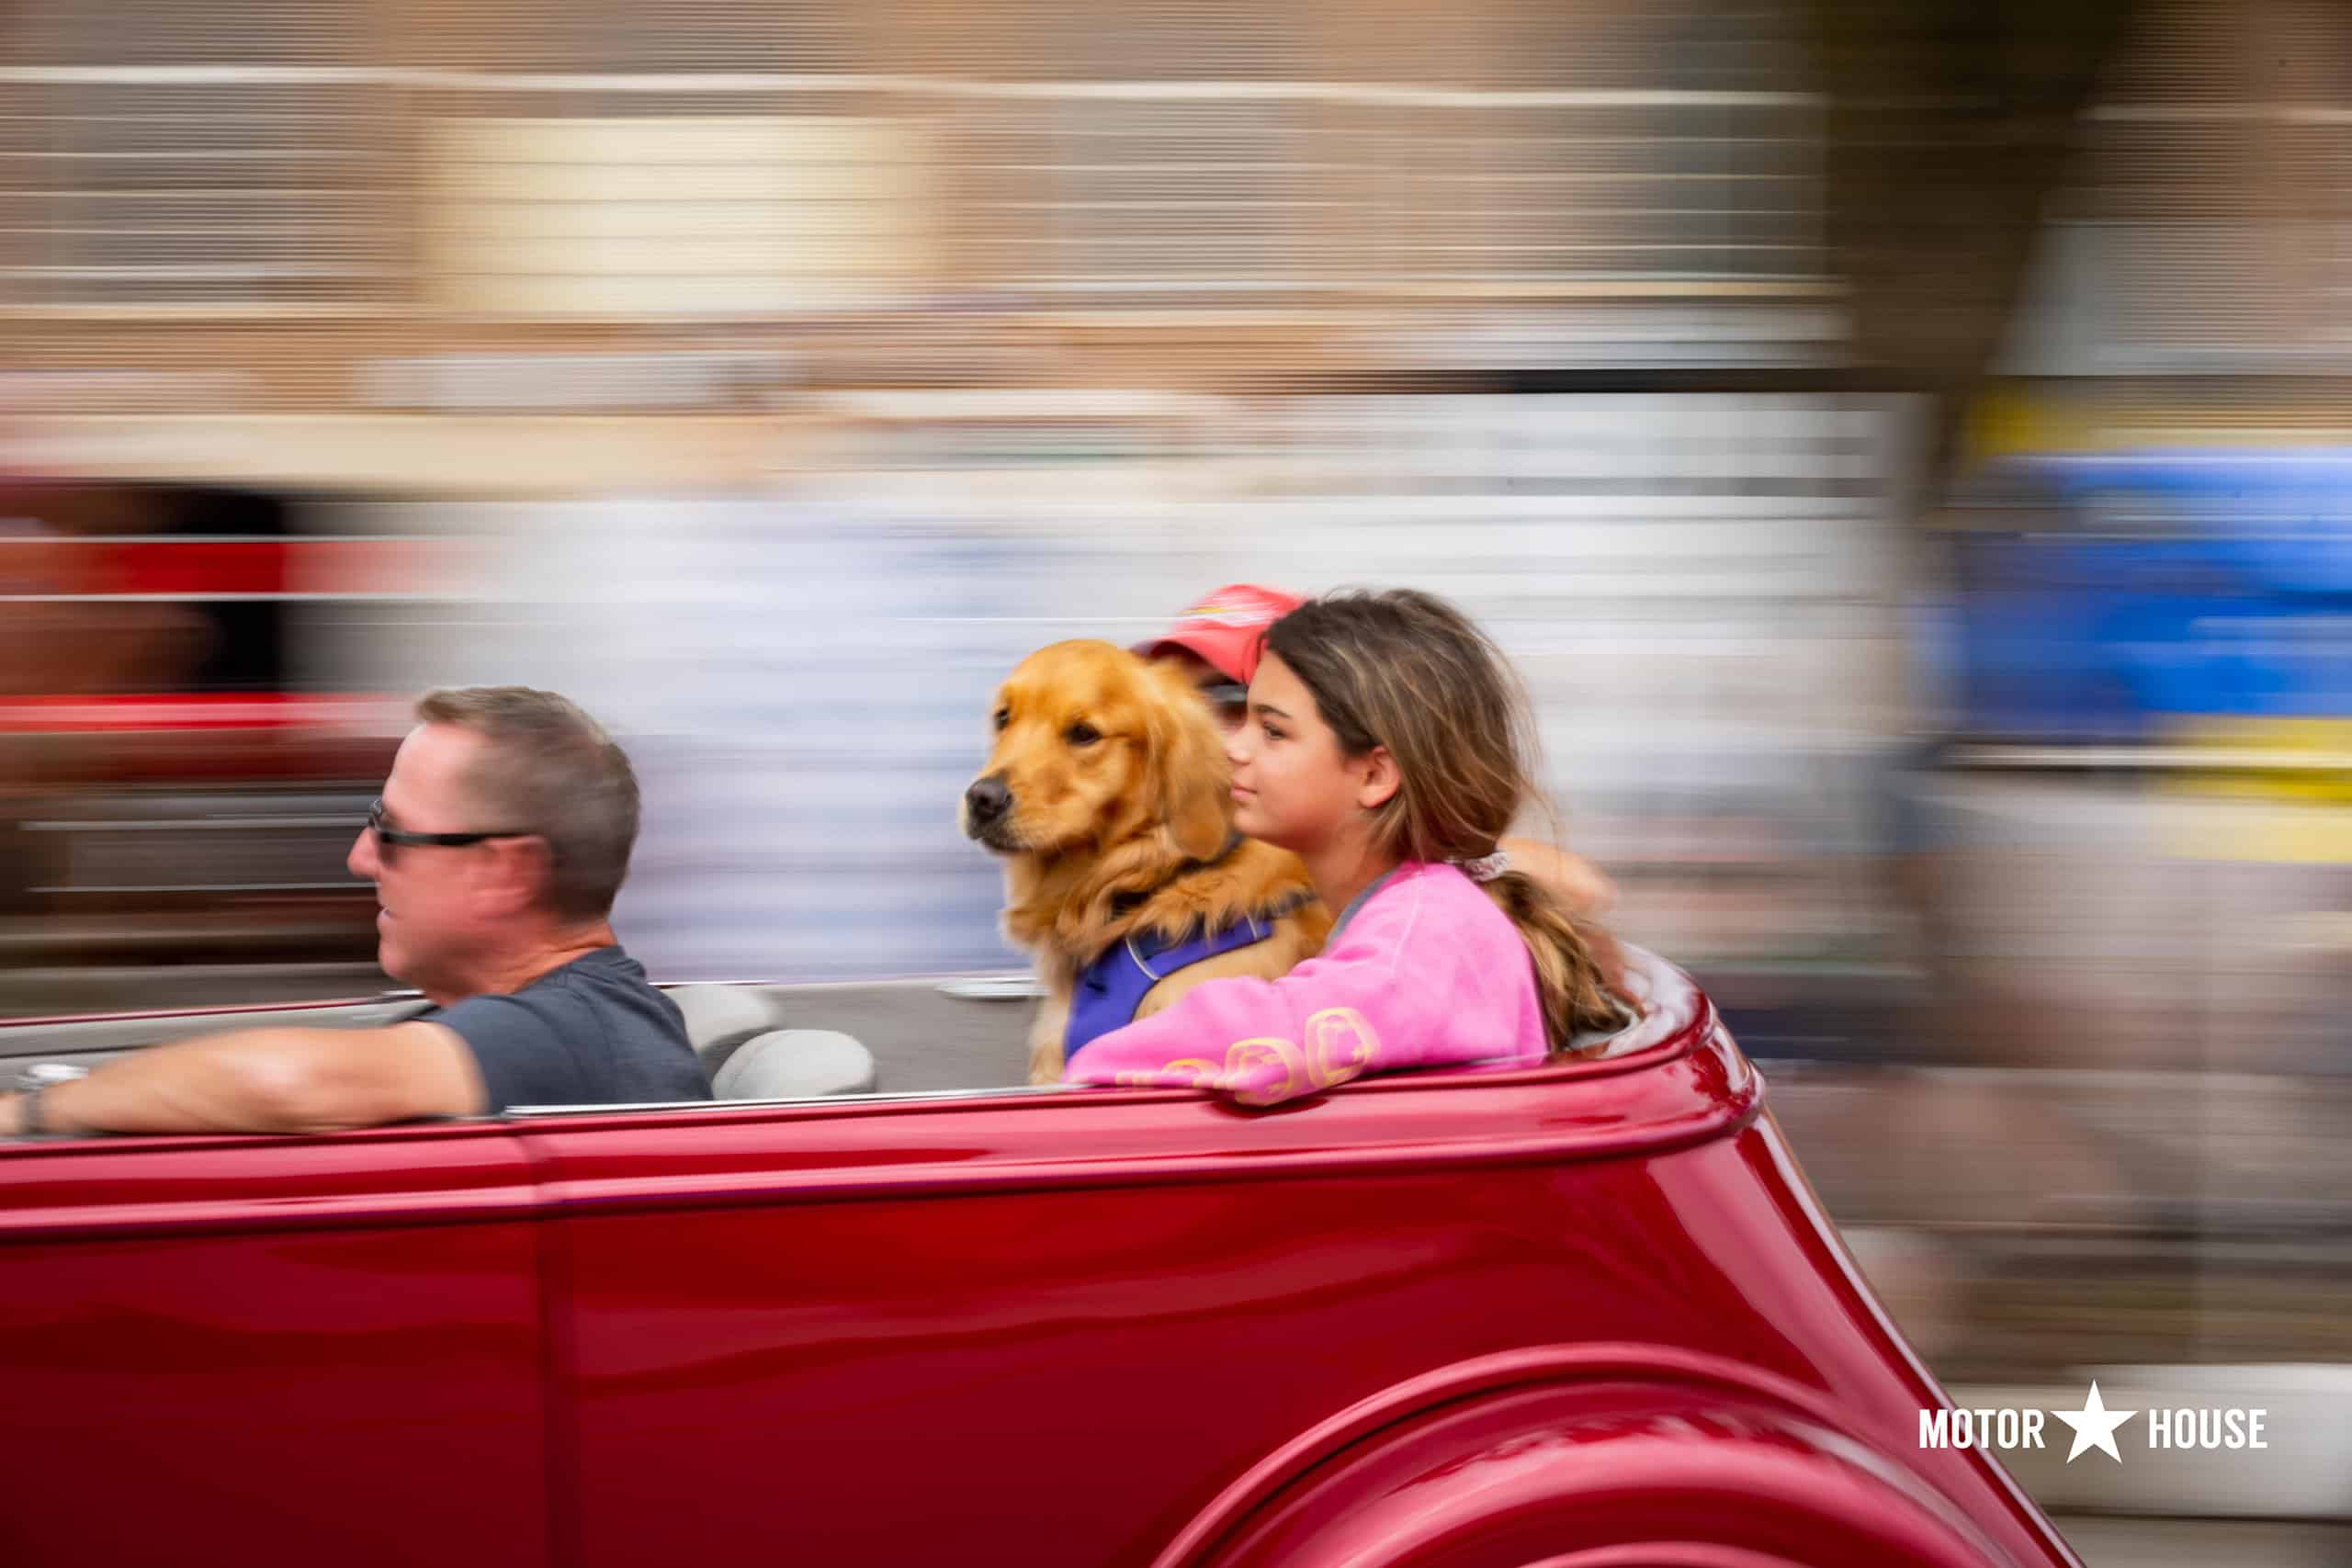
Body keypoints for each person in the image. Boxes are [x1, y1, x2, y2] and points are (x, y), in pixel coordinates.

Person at [1, 686, 709, 1137]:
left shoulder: (570, 1032)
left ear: (504, 871)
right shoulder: (549, 1022)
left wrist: (32, 1116)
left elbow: (290, 1082)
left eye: (393, 833)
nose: (361, 856)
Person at [1071, 588, 1634, 1106]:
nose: (1233, 749)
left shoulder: (1425, 932)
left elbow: (1273, 1038)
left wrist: (1081, 1070)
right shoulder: (1418, 913)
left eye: (1272, 730)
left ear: (1374, 775)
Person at [1136, 583, 1618, 917]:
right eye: (1169, 706)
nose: (1190, 733)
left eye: (1228, 704)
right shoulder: (1145, 856)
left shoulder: (1417, 911)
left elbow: (1576, 885)